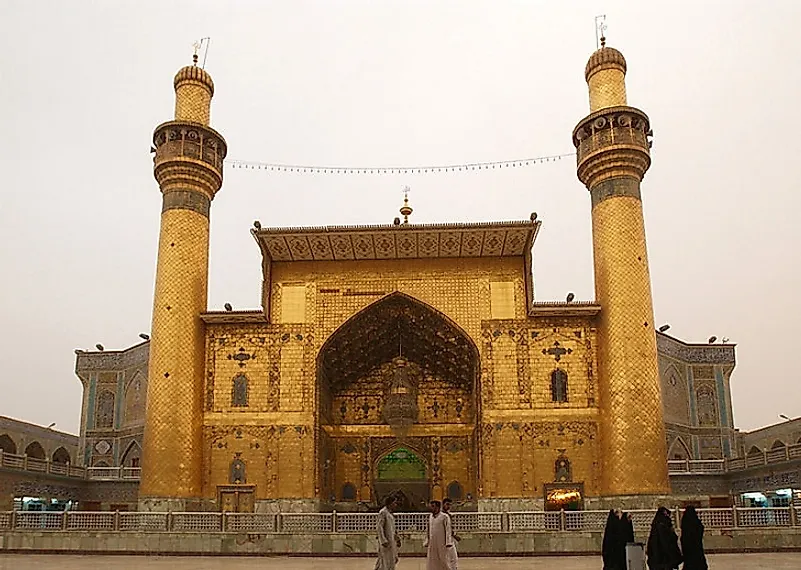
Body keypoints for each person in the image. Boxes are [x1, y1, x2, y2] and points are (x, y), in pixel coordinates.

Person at [424, 499, 455, 570]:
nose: (431, 508)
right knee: (432, 560)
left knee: (443, 560)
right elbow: (428, 529)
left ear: (438, 507)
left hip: (442, 543)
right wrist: (427, 540)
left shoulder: (444, 517)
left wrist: (448, 542)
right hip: (432, 542)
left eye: (433, 506)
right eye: (431, 506)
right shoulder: (430, 517)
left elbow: (448, 530)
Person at [375, 495, 401, 570]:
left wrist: (397, 538)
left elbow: (393, 528)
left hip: (391, 541)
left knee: (391, 561)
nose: (395, 505)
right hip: (386, 542)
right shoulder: (383, 512)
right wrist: (383, 540)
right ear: (390, 503)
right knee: (384, 562)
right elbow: (379, 527)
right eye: (394, 503)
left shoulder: (390, 514)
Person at [680, 506, 708, 570]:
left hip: (688, 549)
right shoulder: (696, 522)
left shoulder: (685, 521)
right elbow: (700, 530)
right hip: (696, 548)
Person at [441, 498, 460, 569]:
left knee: (451, 558)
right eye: (447, 504)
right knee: (452, 558)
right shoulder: (443, 516)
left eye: (450, 505)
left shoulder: (447, 515)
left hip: (449, 539)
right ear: (443, 505)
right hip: (446, 539)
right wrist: (454, 536)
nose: (448, 506)